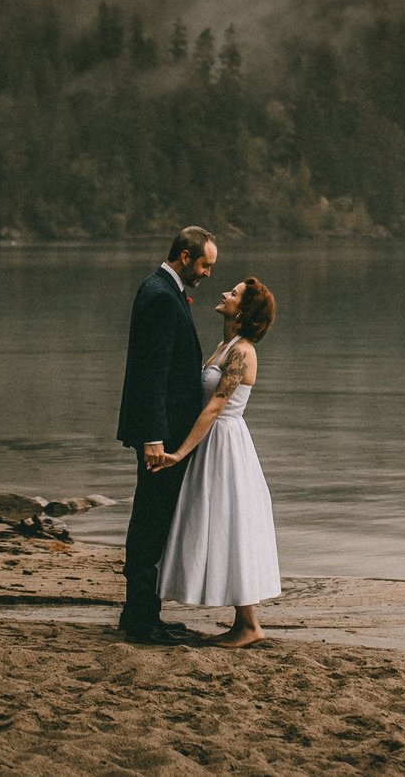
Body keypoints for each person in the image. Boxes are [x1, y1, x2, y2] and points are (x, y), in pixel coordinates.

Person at [149, 276, 282, 646]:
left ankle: (250, 625)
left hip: (224, 441)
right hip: (213, 442)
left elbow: (215, 408)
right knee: (218, 524)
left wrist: (179, 453)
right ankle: (244, 622)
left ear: (244, 311)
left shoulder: (242, 352)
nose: (225, 293)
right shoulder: (226, 345)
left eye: (235, 293)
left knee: (230, 523)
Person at [115, 225, 216, 643]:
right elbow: (152, 375)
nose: (209, 274)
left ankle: (139, 612)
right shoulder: (160, 295)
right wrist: (154, 438)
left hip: (165, 432)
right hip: (163, 436)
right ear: (186, 256)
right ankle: (141, 621)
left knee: (153, 520)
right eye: (206, 264)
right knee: (150, 522)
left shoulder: (162, 289)